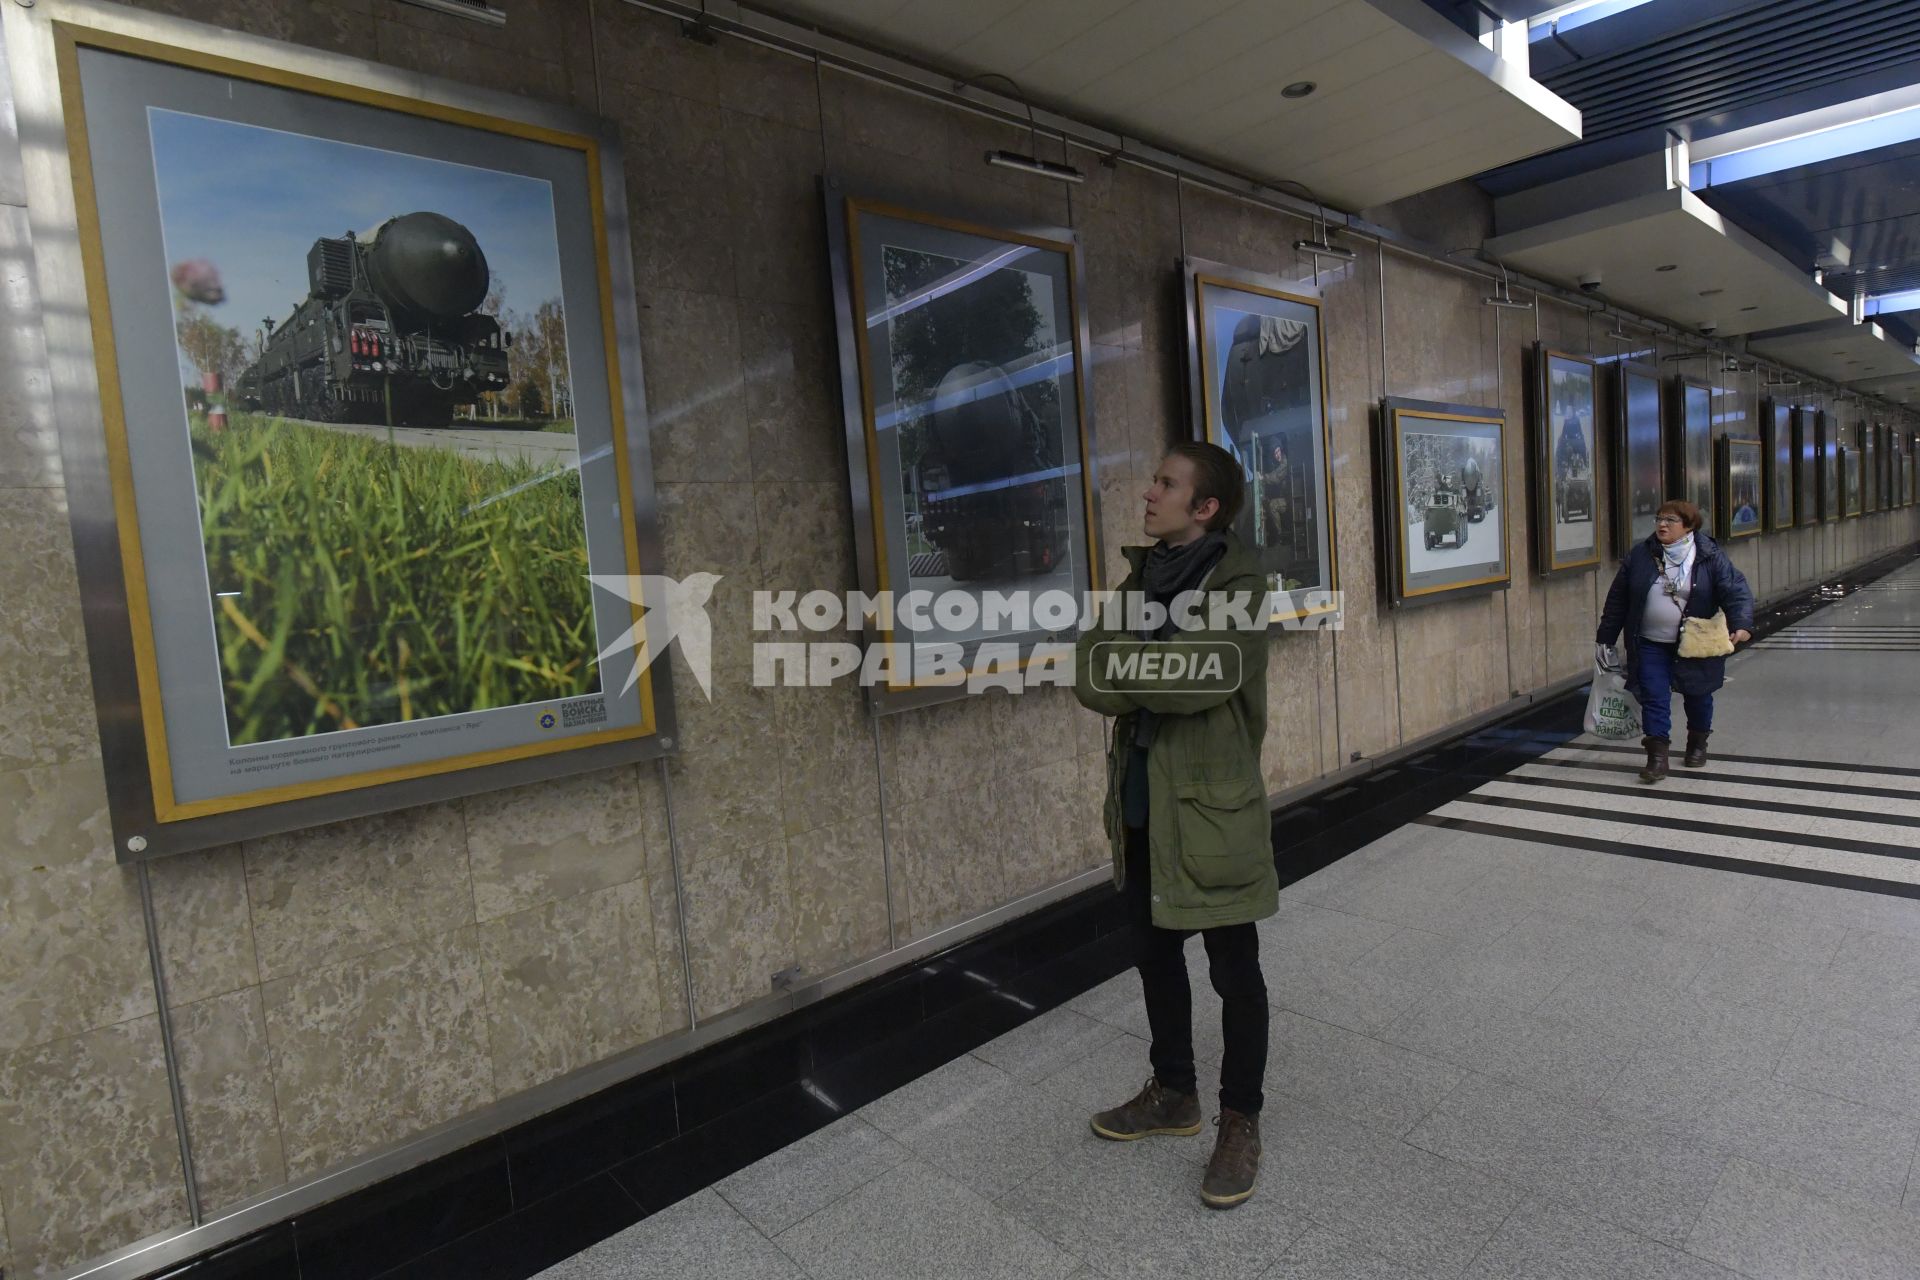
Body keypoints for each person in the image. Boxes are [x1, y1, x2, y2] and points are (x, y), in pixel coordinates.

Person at [1073, 441, 1273, 1209]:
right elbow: (1089, 668)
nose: (1147, 494)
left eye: (1165, 484)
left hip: (1211, 813)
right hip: (1141, 805)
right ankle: (1174, 1093)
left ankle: (1241, 1118)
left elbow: (1203, 675)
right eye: (1153, 480)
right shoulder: (1139, 577)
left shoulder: (1241, 583)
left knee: (1235, 973)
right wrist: (1137, 673)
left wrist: (1132, 672)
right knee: (1153, 957)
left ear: (1206, 507)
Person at [1596, 499, 1753, 781]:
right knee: (1654, 697)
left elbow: (1735, 589)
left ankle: (1697, 744)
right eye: (1659, 519)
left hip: (1696, 643)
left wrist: (1741, 624)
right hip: (1650, 642)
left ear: (1689, 526)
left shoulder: (1709, 555)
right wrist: (1606, 637)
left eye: (1670, 520)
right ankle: (1657, 757)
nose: (1662, 525)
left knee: (1698, 695)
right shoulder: (1641, 555)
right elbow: (1618, 600)